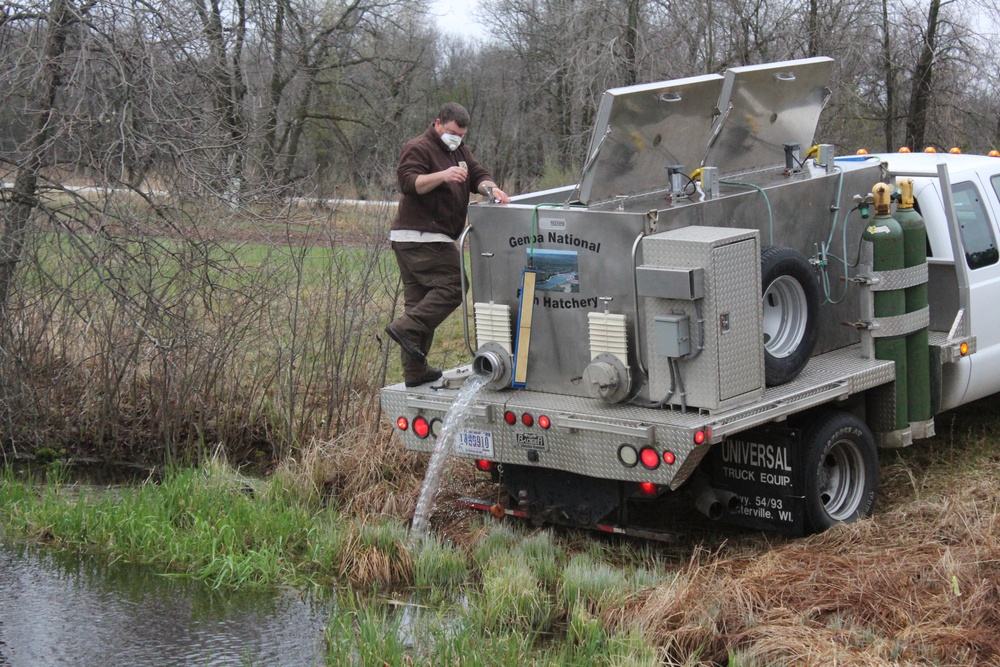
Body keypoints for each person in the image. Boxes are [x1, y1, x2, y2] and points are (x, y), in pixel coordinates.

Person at [384, 102, 511, 387]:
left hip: (419, 238)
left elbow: (477, 174)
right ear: (438, 123)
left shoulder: (459, 152)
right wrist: (443, 175)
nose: (457, 138)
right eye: (453, 132)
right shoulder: (418, 147)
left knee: (419, 303)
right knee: (455, 286)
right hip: (421, 236)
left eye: (462, 135)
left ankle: (415, 372)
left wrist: (490, 188)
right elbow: (407, 182)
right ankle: (404, 329)